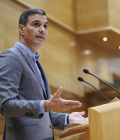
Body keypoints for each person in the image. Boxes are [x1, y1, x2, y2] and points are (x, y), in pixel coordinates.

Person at [0, 8, 88, 140]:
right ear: (21, 29)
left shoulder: (35, 62)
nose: (42, 30)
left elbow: (38, 113)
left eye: (45, 26)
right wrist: (46, 105)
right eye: (36, 24)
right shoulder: (12, 57)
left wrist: (68, 118)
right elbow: (6, 106)